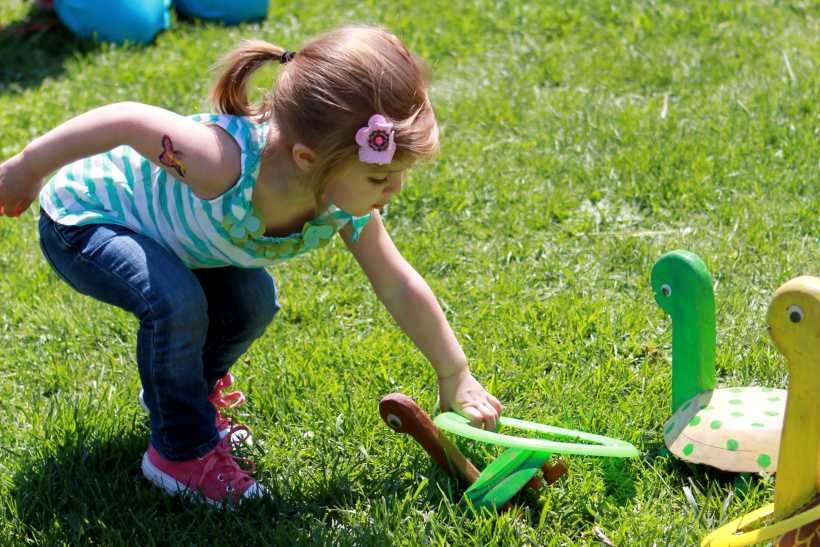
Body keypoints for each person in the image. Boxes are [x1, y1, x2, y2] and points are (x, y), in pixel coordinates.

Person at [0, 24, 502, 505]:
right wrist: (27, 168)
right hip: (88, 219)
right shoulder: (222, 161)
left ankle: (189, 400)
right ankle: (179, 451)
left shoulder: (342, 205)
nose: (394, 192)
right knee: (175, 303)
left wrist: (453, 372)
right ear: (308, 159)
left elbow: (397, 283)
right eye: (380, 178)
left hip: (177, 241)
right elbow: (128, 120)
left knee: (253, 301)